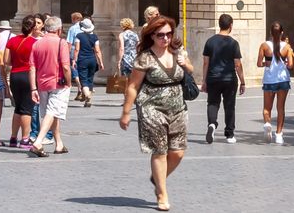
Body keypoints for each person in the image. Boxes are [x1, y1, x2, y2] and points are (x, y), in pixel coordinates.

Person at [119, 15, 192, 212]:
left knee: (178, 152)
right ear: (152, 35)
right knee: (159, 151)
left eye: (169, 34)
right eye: (160, 35)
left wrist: (185, 64)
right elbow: (133, 86)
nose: (165, 38)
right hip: (151, 108)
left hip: (178, 108)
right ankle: (162, 193)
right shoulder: (145, 58)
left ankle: (158, 177)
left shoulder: (177, 51)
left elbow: (191, 70)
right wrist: (126, 112)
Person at [28, 15, 72, 156]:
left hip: (42, 84)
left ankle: (59, 144)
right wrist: (69, 81)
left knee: (52, 113)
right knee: (52, 112)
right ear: (59, 29)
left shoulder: (37, 44)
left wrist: (33, 88)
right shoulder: (61, 43)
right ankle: (38, 142)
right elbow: (66, 66)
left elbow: (32, 68)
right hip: (58, 83)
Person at [200, 13, 244, 144]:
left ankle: (212, 124)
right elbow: (237, 64)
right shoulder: (234, 43)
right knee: (229, 105)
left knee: (212, 103)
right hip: (229, 78)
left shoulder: (210, 41)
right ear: (230, 25)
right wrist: (243, 81)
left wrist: (204, 80)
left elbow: (205, 63)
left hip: (213, 77)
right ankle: (229, 134)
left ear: (219, 24)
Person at [258, 21, 293, 145]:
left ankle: (267, 124)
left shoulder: (264, 45)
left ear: (270, 32)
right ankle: (279, 134)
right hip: (283, 79)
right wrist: (284, 63)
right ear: (282, 33)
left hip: (269, 79)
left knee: (267, 108)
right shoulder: (287, 47)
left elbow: (259, 63)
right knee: (280, 108)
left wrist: (266, 63)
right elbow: (291, 65)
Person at [5, 15, 37, 148]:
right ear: (34, 27)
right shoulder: (35, 42)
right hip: (28, 75)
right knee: (27, 109)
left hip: (15, 75)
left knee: (18, 108)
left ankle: (13, 138)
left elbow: (6, 61)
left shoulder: (12, 40)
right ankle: (25, 139)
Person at [72, 18, 103, 107]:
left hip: (82, 60)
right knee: (90, 78)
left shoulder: (79, 36)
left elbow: (77, 49)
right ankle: (87, 99)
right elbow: (97, 50)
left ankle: (87, 95)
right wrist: (101, 62)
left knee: (83, 79)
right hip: (92, 60)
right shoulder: (95, 37)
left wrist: (74, 60)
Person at [64, 12, 84, 92]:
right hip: (84, 50)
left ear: (74, 19)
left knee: (74, 67)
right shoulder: (84, 27)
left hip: (74, 49)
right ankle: (84, 84)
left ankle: (79, 85)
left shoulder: (72, 28)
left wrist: (67, 52)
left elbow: (69, 42)